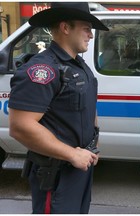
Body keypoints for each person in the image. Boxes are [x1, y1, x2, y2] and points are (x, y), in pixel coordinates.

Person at [8, 2, 108, 214]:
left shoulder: (80, 66)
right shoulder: (42, 70)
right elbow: (20, 126)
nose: (91, 35)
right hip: (56, 174)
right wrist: (72, 154)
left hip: (80, 168)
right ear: (65, 27)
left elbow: (89, 107)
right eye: (86, 28)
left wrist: (92, 145)